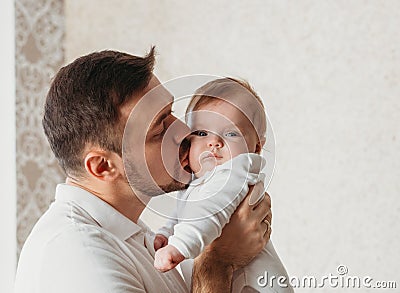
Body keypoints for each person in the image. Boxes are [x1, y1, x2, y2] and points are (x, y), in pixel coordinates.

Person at [14, 49, 273, 293]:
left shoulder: (139, 237)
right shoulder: (78, 257)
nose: (184, 132)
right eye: (160, 130)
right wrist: (218, 261)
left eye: (171, 112)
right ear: (103, 166)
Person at [153, 78, 293, 292]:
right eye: (202, 133)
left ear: (256, 147)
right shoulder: (198, 183)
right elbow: (183, 214)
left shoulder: (237, 171)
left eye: (231, 134)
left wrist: (178, 246)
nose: (214, 142)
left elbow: (209, 209)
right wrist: (165, 233)